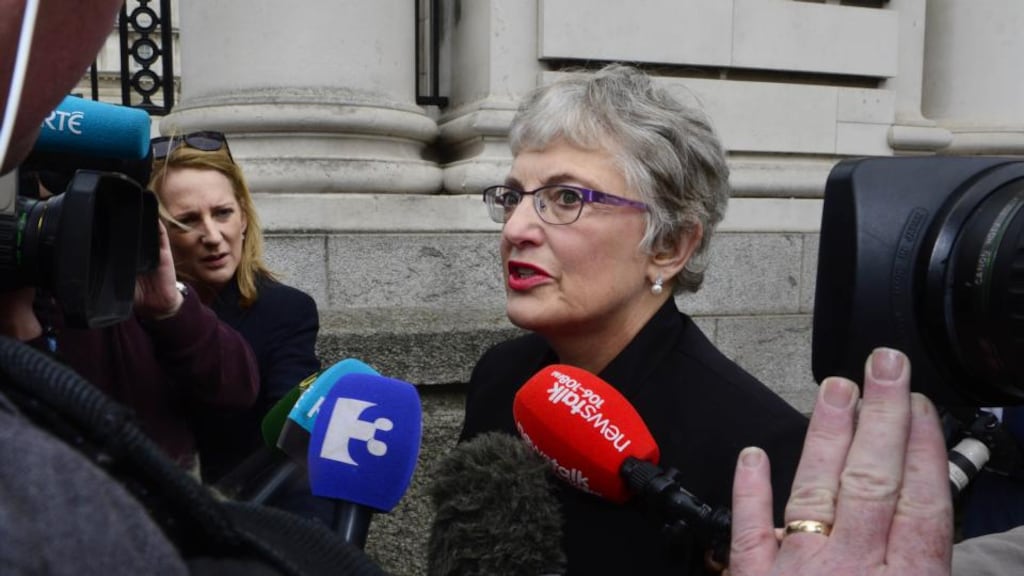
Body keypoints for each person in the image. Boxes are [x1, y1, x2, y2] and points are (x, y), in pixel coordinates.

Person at [458, 63, 809, 575]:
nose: (516, 227)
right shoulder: (500, 378)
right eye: (513, 196)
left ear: (668, 246)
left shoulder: (761, 450)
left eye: (567, 197)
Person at [146, 134, 321, 491]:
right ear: (156, 232)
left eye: (222, 213)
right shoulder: (125, 315)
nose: (212, 235)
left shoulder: (286, 311)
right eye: (187, 220)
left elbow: (287, 450)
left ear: (243, 216)